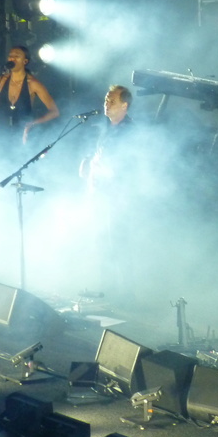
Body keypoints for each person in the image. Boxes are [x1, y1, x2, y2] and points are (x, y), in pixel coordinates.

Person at [79, 85, 138, 304]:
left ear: (124, 105)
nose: (106, 104)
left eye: (111, 101)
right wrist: (87, 159)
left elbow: (128, 164)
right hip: (99, 192)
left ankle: (127, 294)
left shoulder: (130, 130)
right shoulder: (104, 125)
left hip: (118, 195)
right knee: (101, 240)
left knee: (119, 243)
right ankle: (107, 288)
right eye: (105, 100)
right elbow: (96, 149)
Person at [0, 46, 59, 161]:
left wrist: (33, 123)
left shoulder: (33, 83)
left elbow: (54, 112)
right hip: (0, 136)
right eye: (10, 56)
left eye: (17, 56)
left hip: (22, 138)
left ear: (25, 61)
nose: (12, 58)